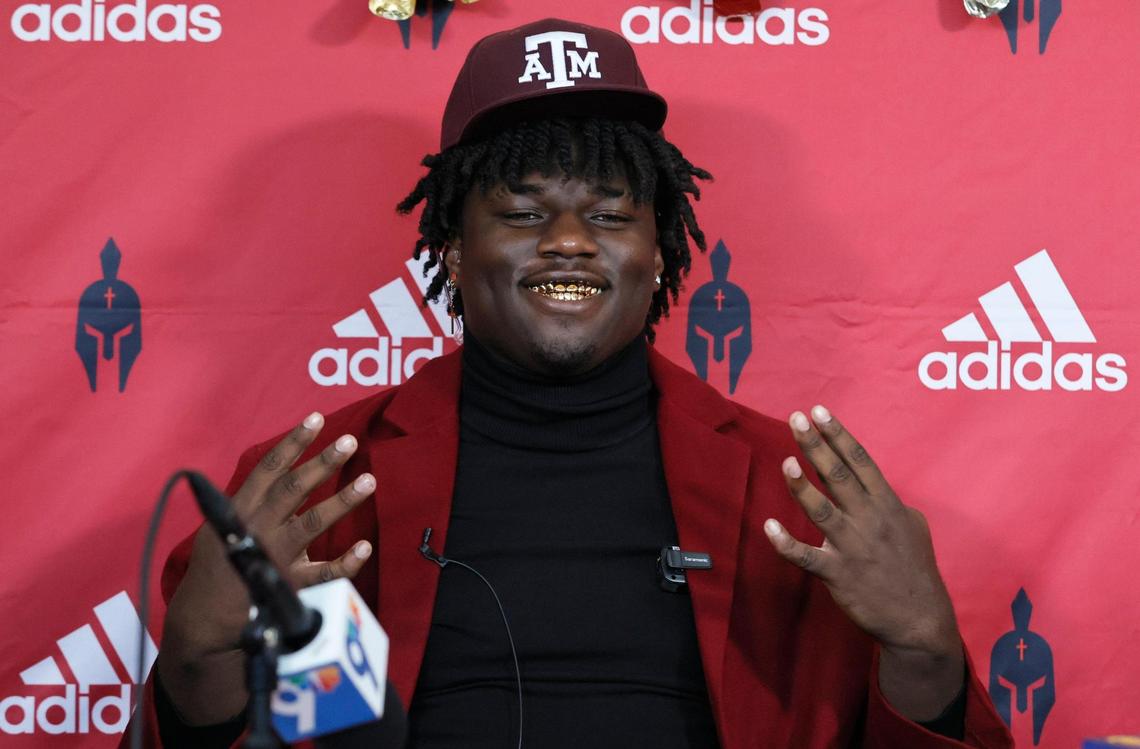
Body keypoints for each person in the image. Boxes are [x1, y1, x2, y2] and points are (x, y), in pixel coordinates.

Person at [125, 18, 1014, 749]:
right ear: (449, 246)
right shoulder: (315, 484)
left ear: (663, 249)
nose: (568, 241)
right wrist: (196, 655)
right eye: (521, 211)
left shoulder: (801, 493)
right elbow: (216, 724)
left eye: (610, 213)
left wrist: (928, 651)